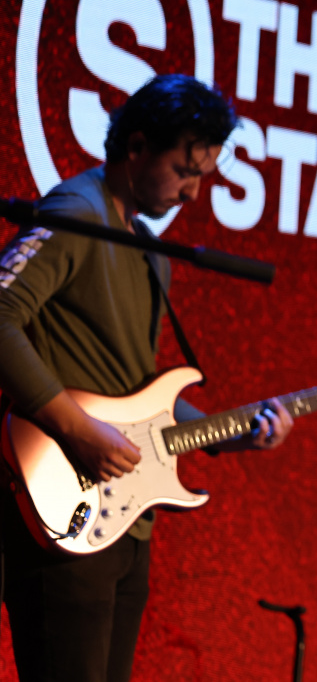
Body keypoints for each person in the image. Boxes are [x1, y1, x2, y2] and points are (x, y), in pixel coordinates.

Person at [0, 74, 294, 682]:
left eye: (202, 177)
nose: (192, 192)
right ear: (136, 147)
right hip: (63, 499)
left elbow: (141, 390)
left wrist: (235, 433)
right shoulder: (77, 212)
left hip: (123, 521)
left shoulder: (150, 250)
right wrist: (75, 429)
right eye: (185, 171)